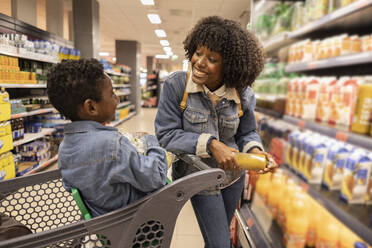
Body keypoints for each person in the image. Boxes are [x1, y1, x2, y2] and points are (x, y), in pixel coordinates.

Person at [155, 16, 278, 247]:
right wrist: (212, 144)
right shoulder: (176, 86)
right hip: (197, 176)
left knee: (217, 239)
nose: (199, 62)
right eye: (198, 53)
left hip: (233, 177)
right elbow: (167, 135)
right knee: (220, 243)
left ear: (229, 65)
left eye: (212, 59)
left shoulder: (242, 94)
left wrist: (255, 151)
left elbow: (247, 132)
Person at [47, 59, 168, 217]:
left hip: (104, 226)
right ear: (91, 107)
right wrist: (151, 142)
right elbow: (156, 176)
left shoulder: (65, 148)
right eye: (112, 93)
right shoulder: (112, 144)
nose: (117, 99)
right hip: (135, 225)